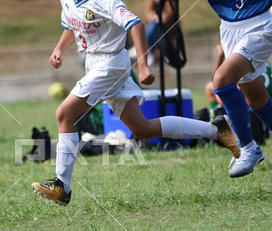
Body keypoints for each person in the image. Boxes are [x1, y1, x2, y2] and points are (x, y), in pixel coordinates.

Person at [31, 0, 237, 206]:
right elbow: (71, 25)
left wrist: (143, 66)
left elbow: (136, 24)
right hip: (94, 63)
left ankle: (61, 186)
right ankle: (216, 130)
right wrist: (59, 48)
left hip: (110, 64)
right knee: (142, 129)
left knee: (64, 113)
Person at [207, 0, 272, 177]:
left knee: (221, 80)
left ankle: (249, 148)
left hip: (260, 24)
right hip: (229, 29)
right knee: (256, 98)